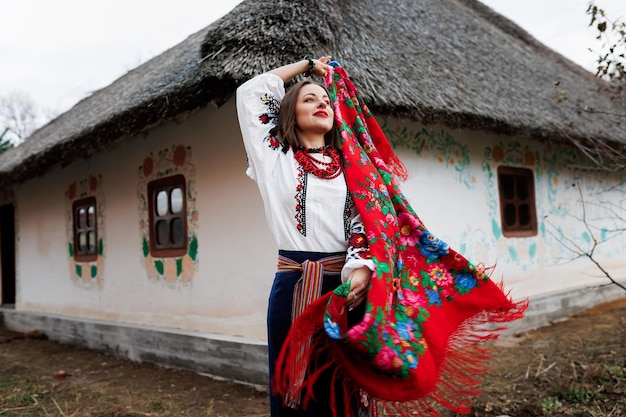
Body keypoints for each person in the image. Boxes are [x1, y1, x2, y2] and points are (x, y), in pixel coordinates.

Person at [236, 56, 374, 417]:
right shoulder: (274, 159)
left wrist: (360, 269)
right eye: (309, 99)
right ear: (289, 113)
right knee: (294, 392)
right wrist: (309, 66)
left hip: (346, 288)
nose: (322, 104)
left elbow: (368, 223)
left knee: (342, 391)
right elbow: (250, 91)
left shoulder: (353, 168)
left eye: (326, 100)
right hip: (294, 287)